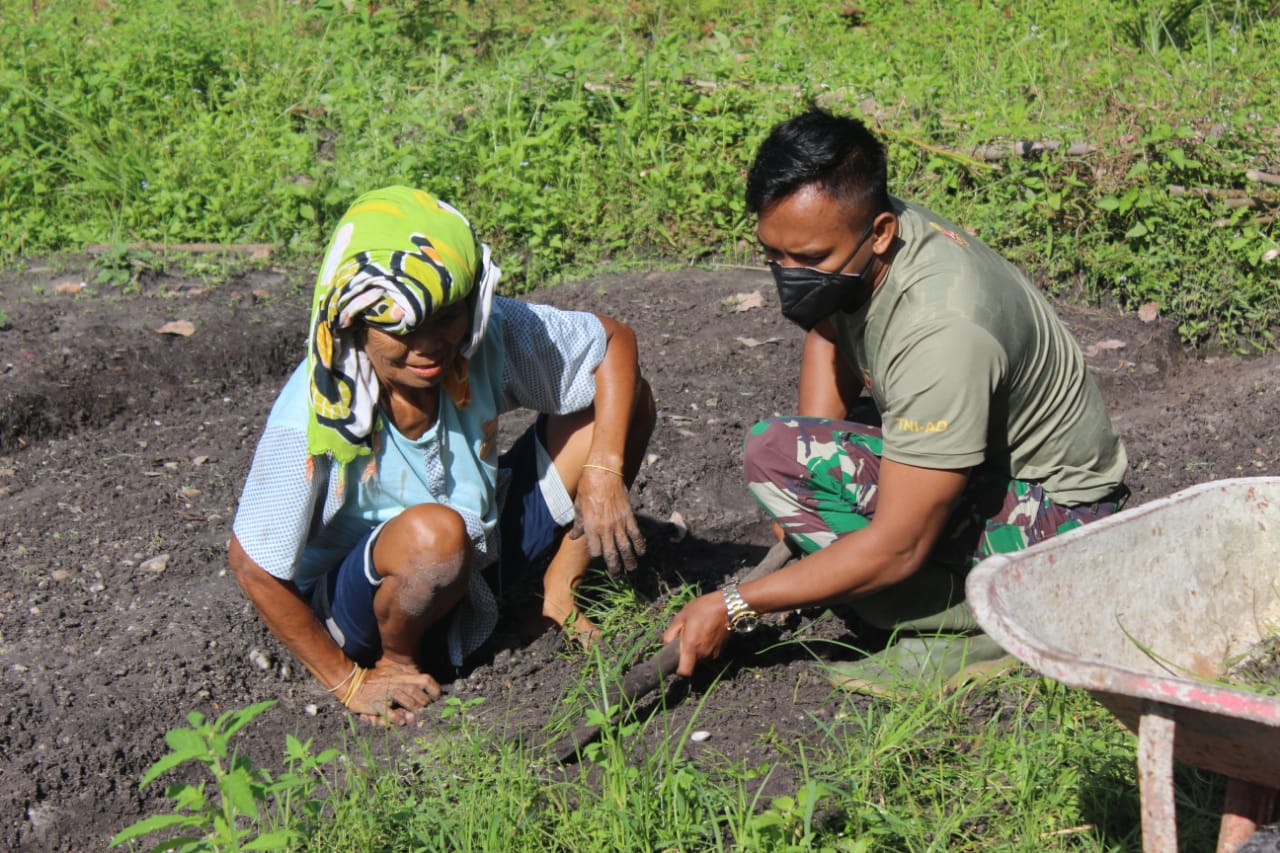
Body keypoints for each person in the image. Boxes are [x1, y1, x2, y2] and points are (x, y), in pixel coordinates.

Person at [663, 108, 1129, 697]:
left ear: (879, 232)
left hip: (1061, 528)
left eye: (807, 260)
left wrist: (734, 603)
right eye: (773, 255)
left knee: (798, 473)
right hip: (991, 461)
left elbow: (899, 546)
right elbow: (826, 325)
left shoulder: (940, 330)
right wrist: (798, 516)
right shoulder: (864, 240)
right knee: (788, 453)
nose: (788, 275)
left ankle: (979, 624)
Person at [229, 186, 654, 725]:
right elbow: (251, 565)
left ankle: (558, 593)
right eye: (404, 329)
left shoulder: (483, 333)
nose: (429, 346)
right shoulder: (313, 415)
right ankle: (400, 661)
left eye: (445, 319)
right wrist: (350, 682)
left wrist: (603, 470)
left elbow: (612, 345)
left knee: (626, 402)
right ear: (356, 323)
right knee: (436, 536)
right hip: (366, 603)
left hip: (475, 550)